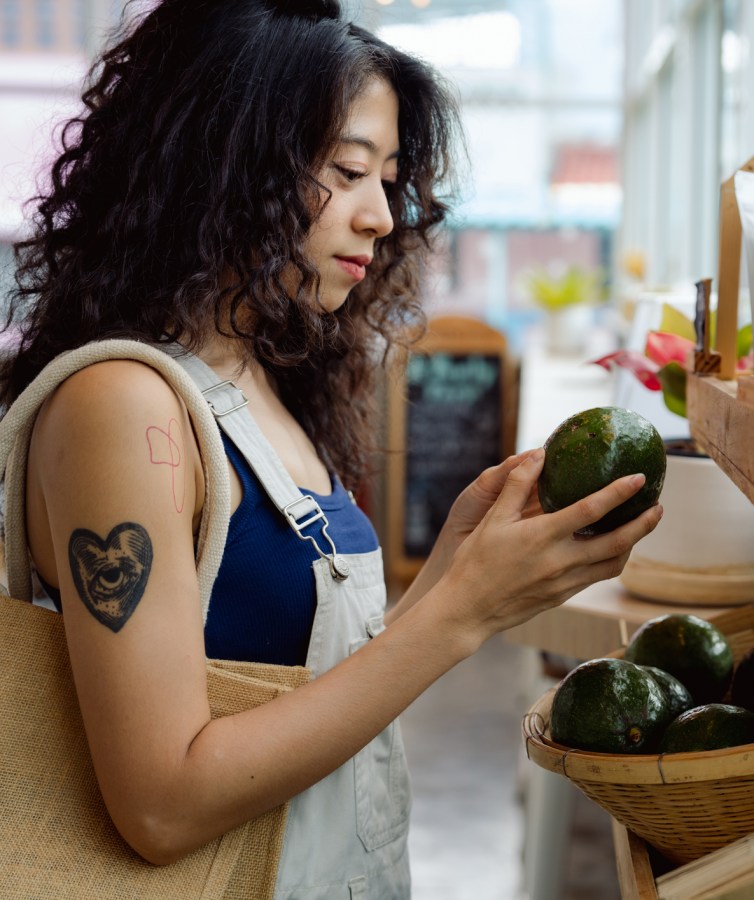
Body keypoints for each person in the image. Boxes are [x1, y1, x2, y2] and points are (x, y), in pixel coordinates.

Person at [0, 1, 662, 897]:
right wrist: (457, 615)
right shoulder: (121, 407)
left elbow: (299, 675)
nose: (383, 216)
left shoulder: (263, 386)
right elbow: (160, 804)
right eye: (349, 170)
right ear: (227, 162)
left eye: (389, 178)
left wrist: (452, 576)